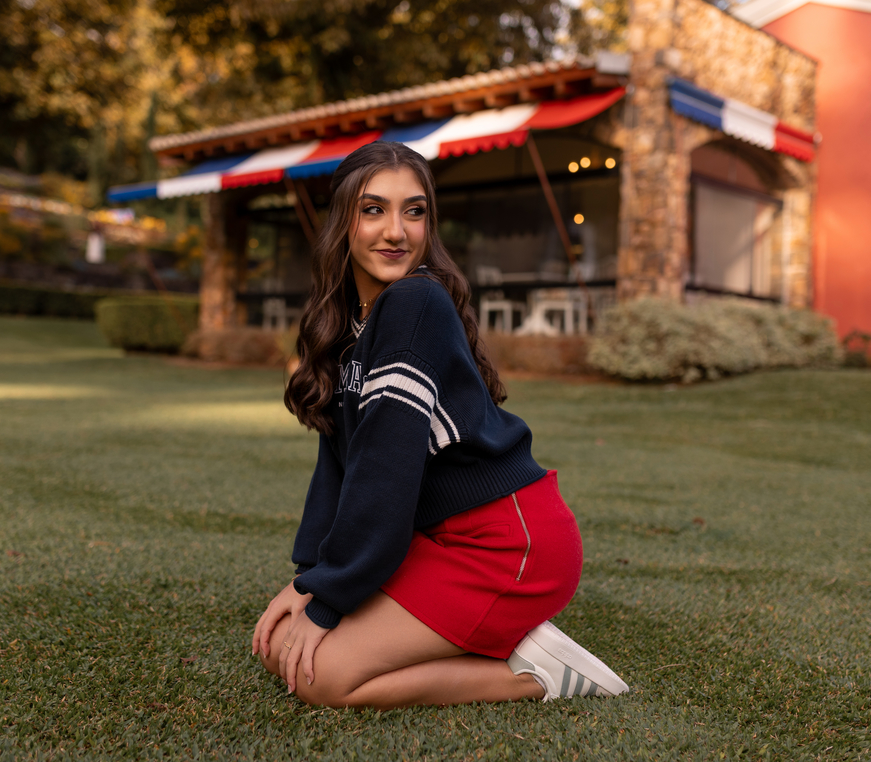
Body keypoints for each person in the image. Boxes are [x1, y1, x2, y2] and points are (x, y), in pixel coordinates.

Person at [251, 141, 628, 709]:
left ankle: (535, 675)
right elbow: (338, 464)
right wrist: (308, 580)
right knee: (281, 645)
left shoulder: (415, 302)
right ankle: (489, 638)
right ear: (343, 222)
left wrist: (328, 602)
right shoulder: (350, 324)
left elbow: (384, 475)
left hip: (508, 544)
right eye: (373, 209)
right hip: (437, 540)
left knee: (318, 677)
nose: (396, 231)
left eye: (415, 211)